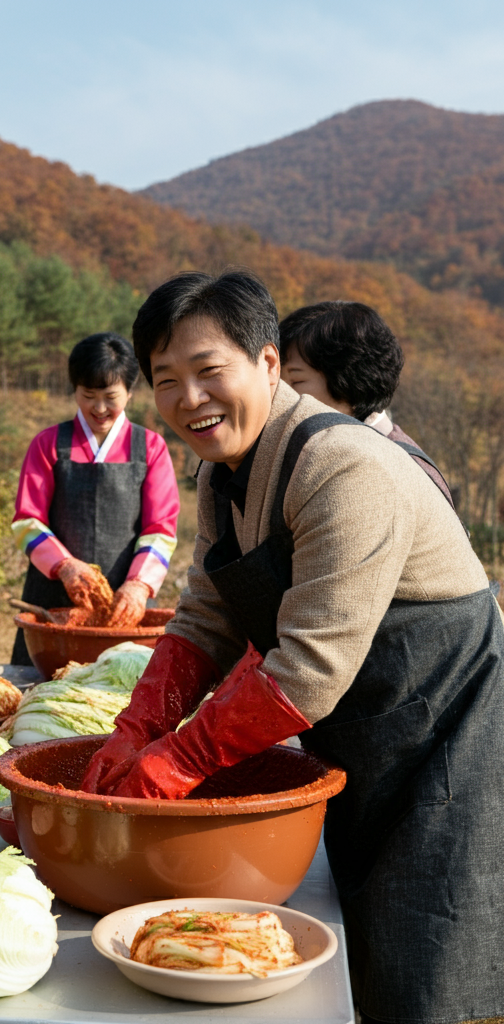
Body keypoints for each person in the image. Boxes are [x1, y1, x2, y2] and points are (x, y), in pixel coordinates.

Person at [81, 270, 504, 1023]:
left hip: (441, 733)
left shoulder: (346, 465)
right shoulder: (223, 472)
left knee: (419, 963)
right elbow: (206, 614)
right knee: (358, 949)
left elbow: (310, 669)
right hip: (363, 729)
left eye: (211, 371)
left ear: (269, 364)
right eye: (167, 380)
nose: (190, 400)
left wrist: (178, 761)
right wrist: (136, 727)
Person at [10, 333, 179, 663]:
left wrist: (139, 586)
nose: (99, 408)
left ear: (130, 392)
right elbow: (27, 521)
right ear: (75, 390)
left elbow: (161, 529)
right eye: (88, 396)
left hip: (122, 601)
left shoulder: (151, 448)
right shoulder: (48, 444)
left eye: (110, 396)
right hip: (52, 596)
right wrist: (65, 566)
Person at [280, 300, 454, 506]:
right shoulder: (367, 449)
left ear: (347, 382)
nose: (281, 394)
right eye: (277, 381)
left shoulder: (382, 470)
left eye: (296, 381)